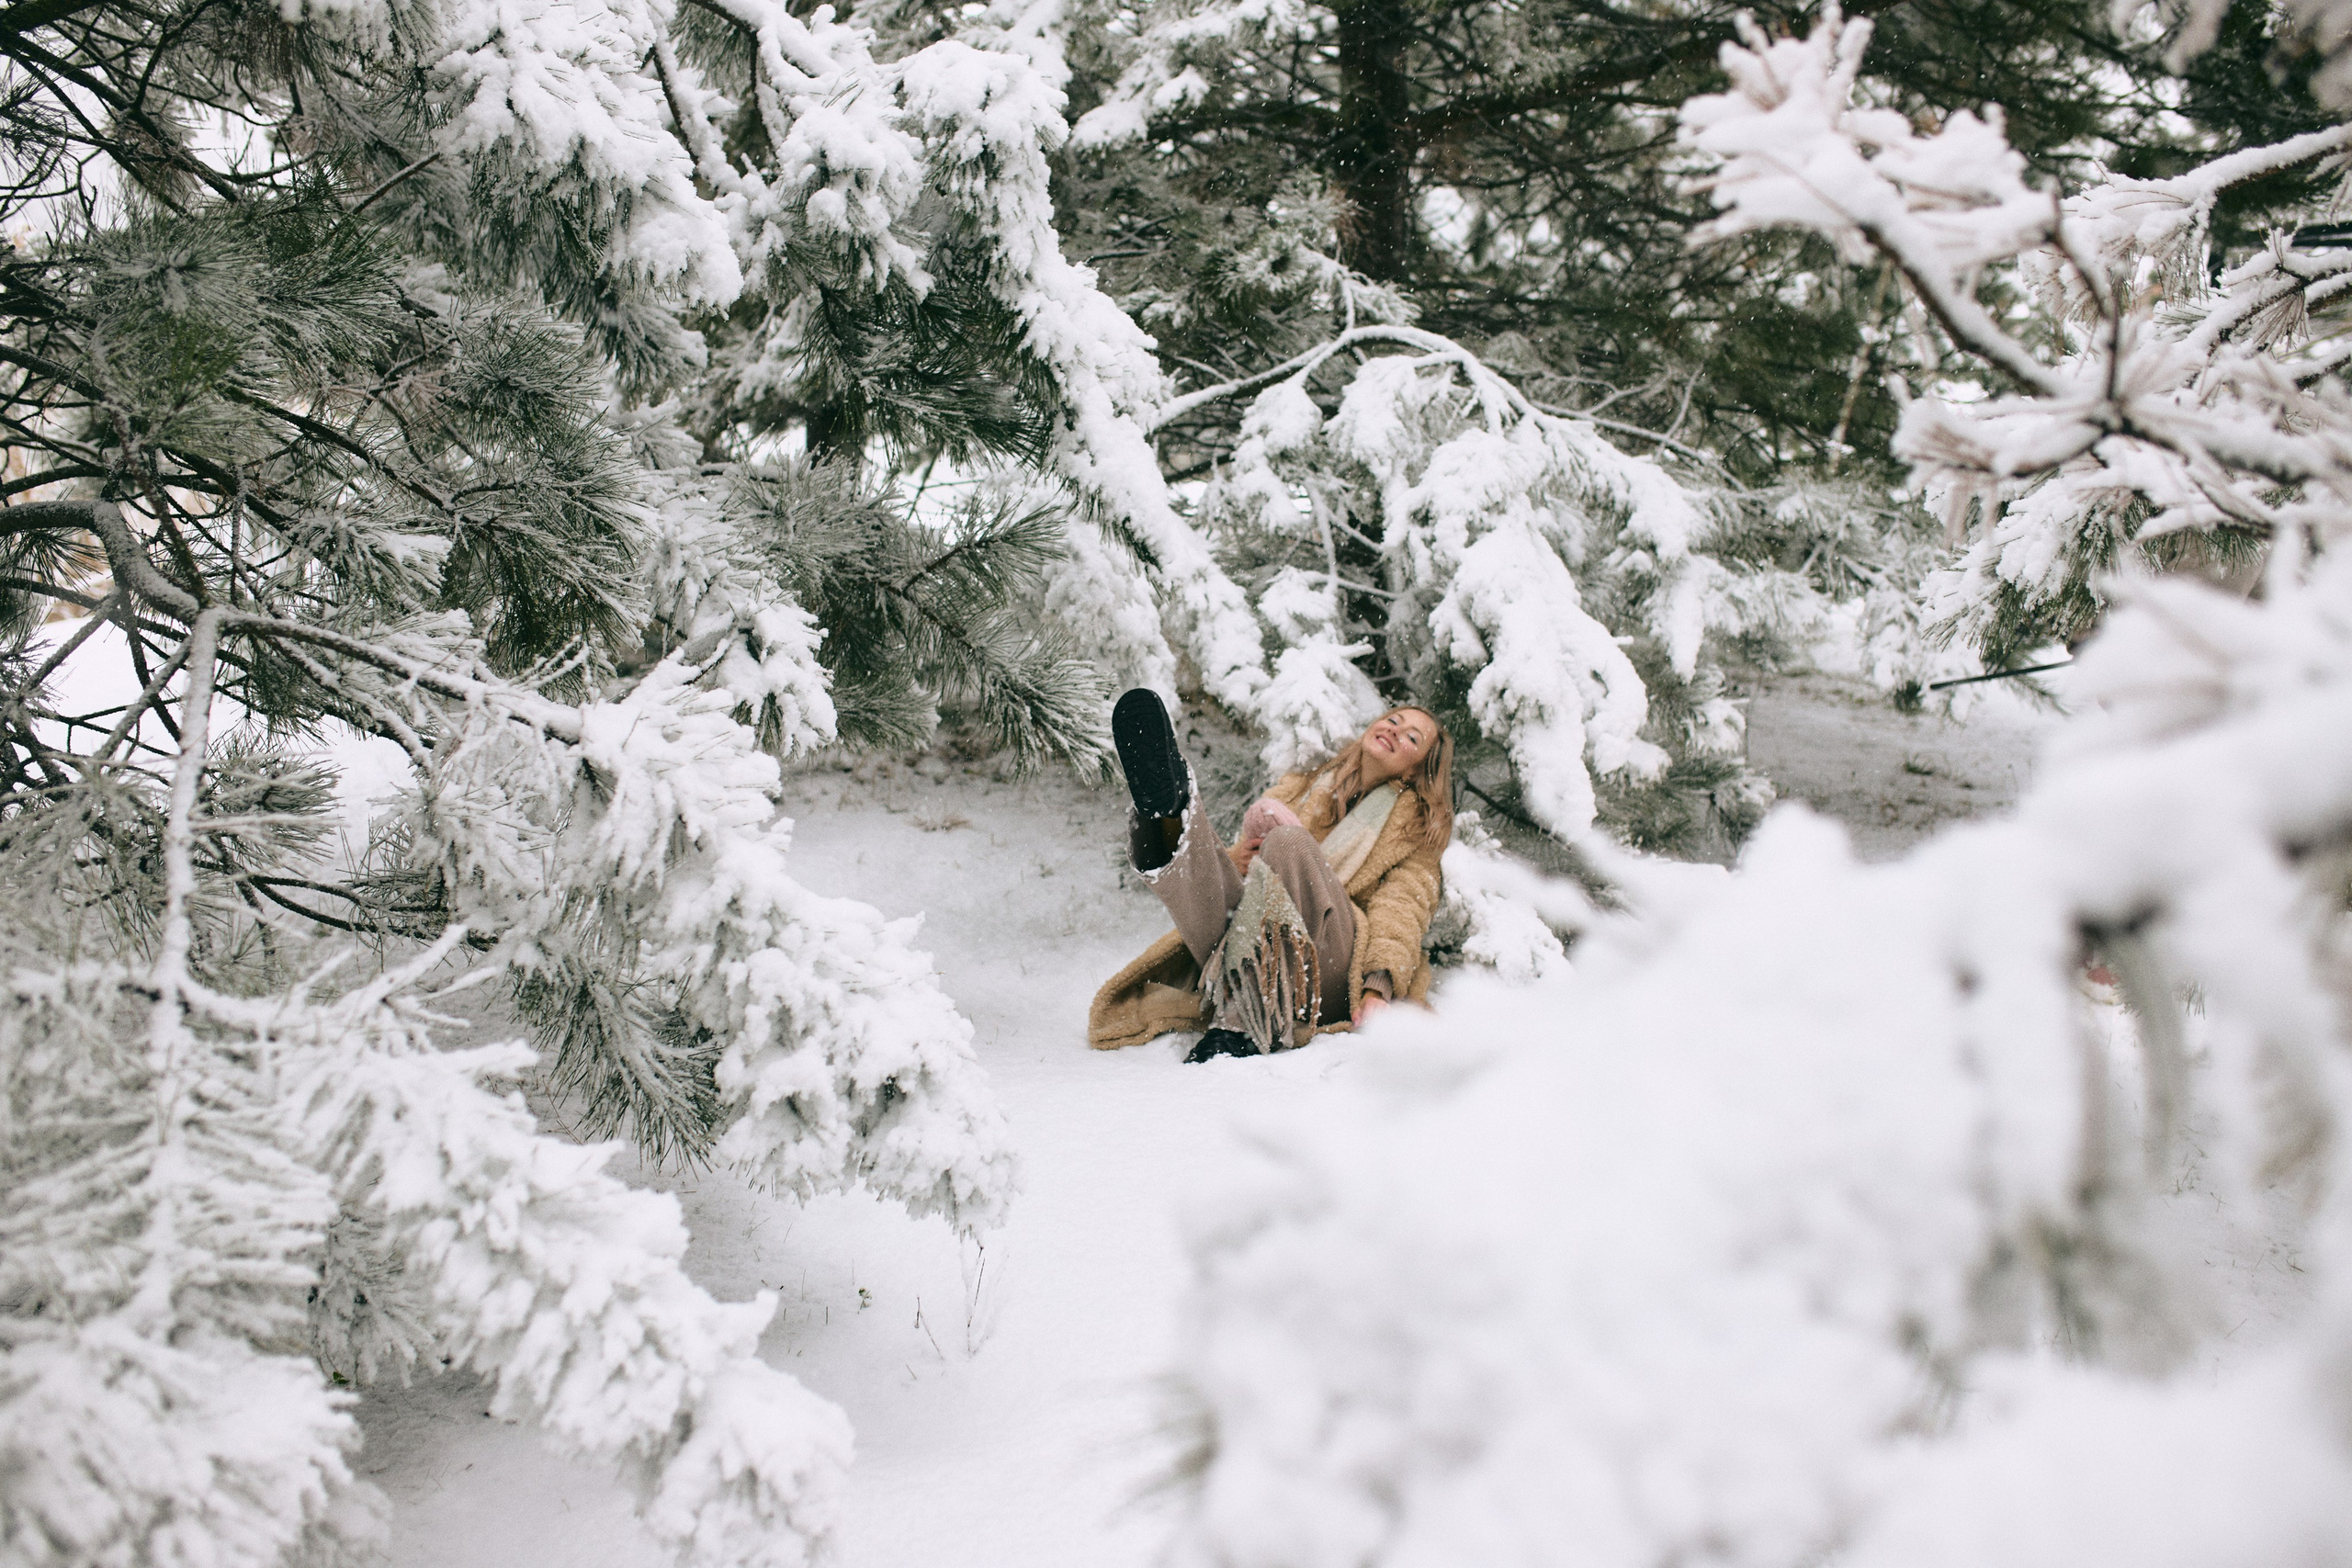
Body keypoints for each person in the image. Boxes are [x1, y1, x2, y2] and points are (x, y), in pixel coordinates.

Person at [1089, 691, 1454, 1062]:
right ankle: (1170, 816)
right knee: (1232, 871)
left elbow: (1402, 910)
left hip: (1330, 967)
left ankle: (1241, 1024)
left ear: (1416, 771)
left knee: (1286, 841)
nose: (1395, 731)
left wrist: (1378, 986)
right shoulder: (1301, 785)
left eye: (1411, 738)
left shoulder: (1416, 832)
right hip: (1252, 935)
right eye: (1393, 720)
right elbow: (1239, 880)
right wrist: (1237, 859)